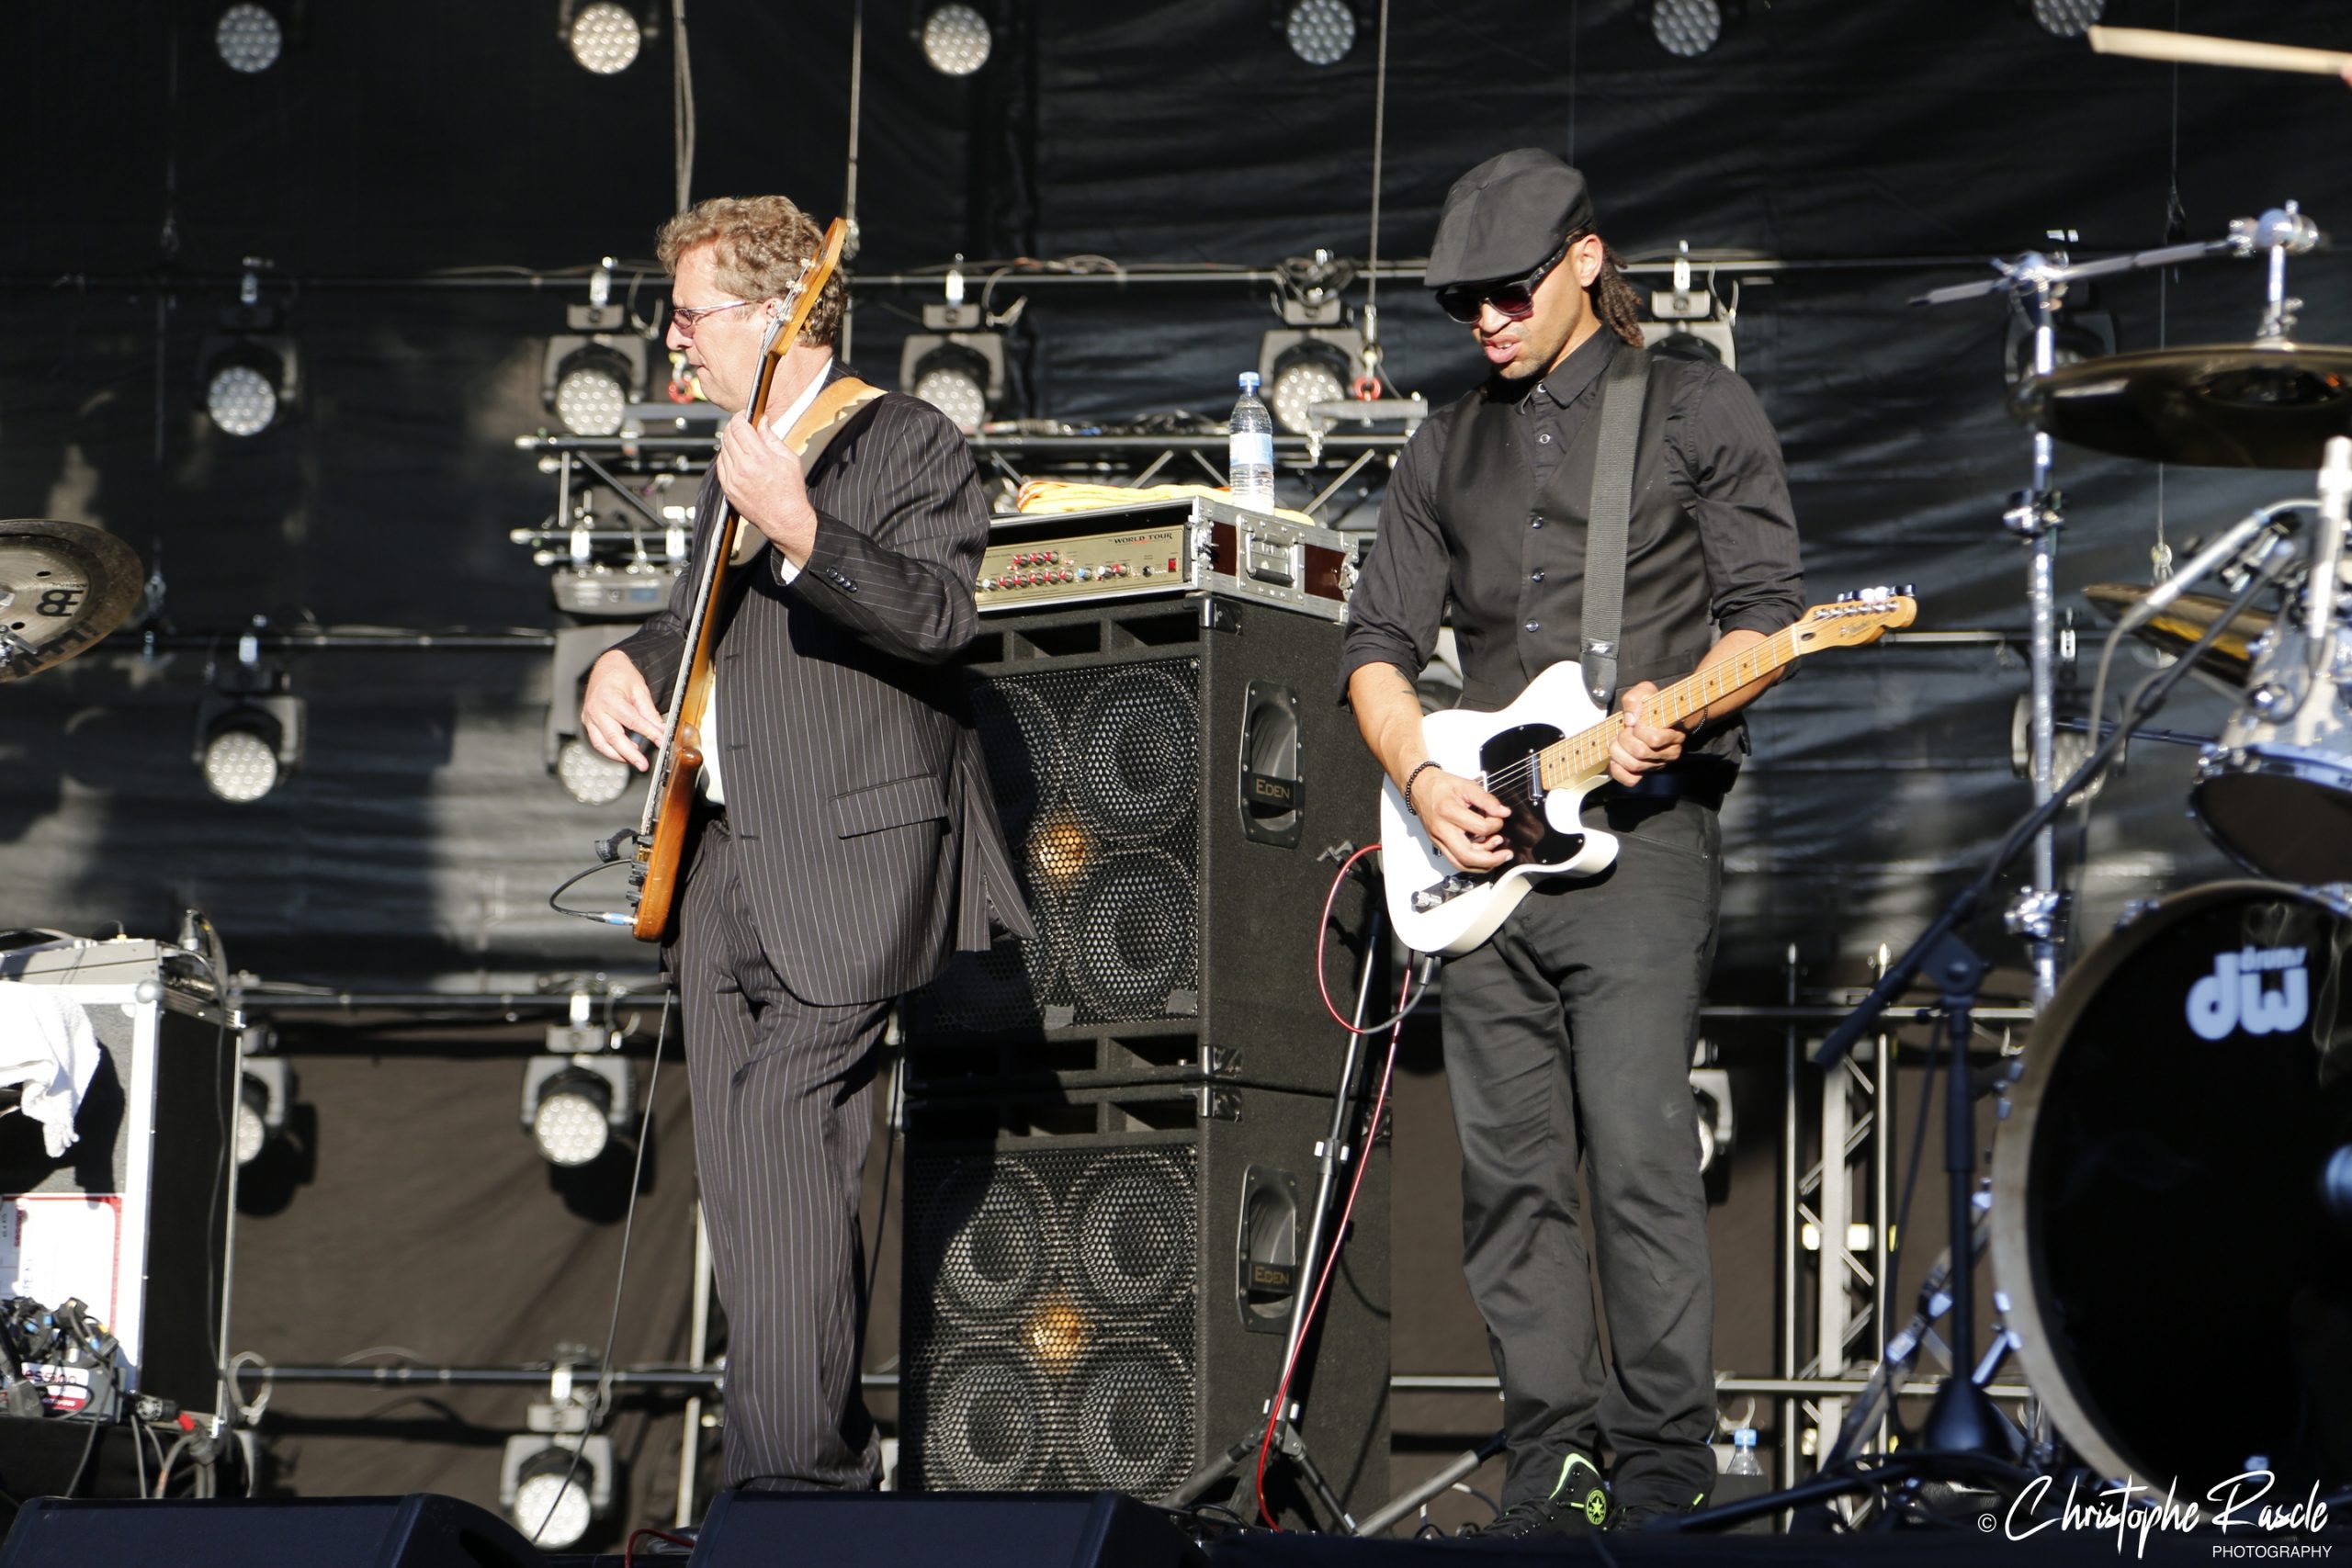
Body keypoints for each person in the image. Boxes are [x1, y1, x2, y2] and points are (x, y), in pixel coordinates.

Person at [1340, 150, 1804, 1536]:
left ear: (1587, 262)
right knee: (1510, 1179)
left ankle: (1663, 1471)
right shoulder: (1442, 444)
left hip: (1642, 843)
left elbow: (1767, 617)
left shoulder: (1696, 405)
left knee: (1644, 1157)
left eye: (1508, 292)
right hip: (1483, 852)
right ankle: (1553, 1466)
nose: (1484, 320)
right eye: (1461, 302)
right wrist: (1422, 776)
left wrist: (1682, 704)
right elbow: (1374, 645)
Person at [577, 194, 1029, 1493]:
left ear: (781, 313)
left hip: (849, 858)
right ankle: (809, 1476)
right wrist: (622, 659)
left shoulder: (907, 436)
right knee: (754, 1190)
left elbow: (941, 615)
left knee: (783, 1142)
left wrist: (802, 526)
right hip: (721, 858)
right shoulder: (735, 460)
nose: (675, 341)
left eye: (692, 316)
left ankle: (789, 1494)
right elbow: (699, 631)